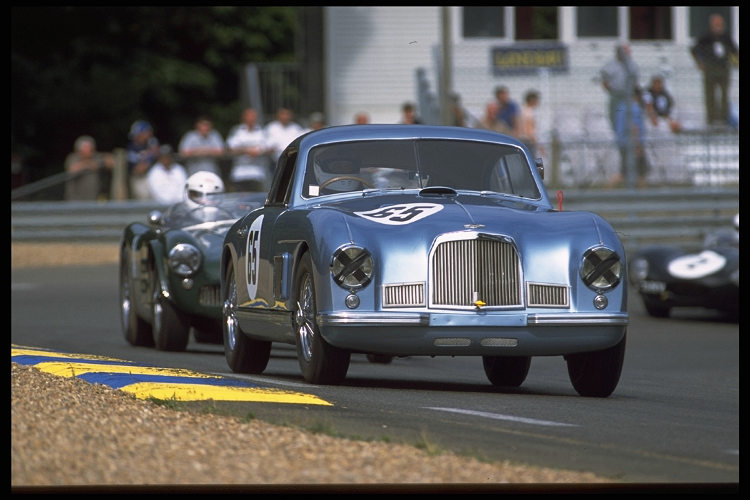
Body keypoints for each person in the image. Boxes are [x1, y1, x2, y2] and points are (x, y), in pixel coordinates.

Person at [690, 13, 739, 127]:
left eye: (720, 23)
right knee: (710, 94)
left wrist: (735, 63)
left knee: (724, 94)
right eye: (716, 23)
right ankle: (711, 119)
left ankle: (723, 118)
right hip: (710, 68)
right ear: (711, 24)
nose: (718, 26)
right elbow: (694, 49)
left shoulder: (726, 37)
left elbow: (734, 51)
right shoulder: (705, 37)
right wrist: (699, 62)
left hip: (723, 68)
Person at [607, 86, 649, 189]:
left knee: (640, 173)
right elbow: (634, 127)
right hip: (632, 145)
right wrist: (638, 145)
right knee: (626, 173)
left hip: (623, 143)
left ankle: (643, 197)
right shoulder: (634, 108)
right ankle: (605, 192)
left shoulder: (621, 107)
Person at [225, 107, 272, 192]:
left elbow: (271, 148)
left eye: (253, 116)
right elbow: (229, 149)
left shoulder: (262, 132)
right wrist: (246, 151)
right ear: (244, 118)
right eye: (249, 116)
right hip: (240, 173)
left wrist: (259, 151)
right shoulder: (237, 131)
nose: (251, 118)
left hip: (258, 173)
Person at [600, 43, 640, 133]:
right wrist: (613, 92)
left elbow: (635, 81)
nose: (628, 53)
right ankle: (617, 135)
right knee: (616, 115)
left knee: (630, 116)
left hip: (629, 95)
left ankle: (629, 138)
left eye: (628, 51)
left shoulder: (632, 65)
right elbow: (605, 81)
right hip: (616, 95)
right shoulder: (610, 65)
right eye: (625, 51)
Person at [64, 135, 114, 201]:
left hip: (93, 198)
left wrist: (99, 163)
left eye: (91, 147)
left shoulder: (96, 157)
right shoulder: (73, 158)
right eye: (86, 147)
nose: (90, 149)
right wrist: (87, 164)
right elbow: (72, 170)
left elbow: (112, 161)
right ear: (79, 149)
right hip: (75, 199)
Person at [126, 120, 160, 200]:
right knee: (143, 199)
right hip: (139, 178)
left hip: (152, 176)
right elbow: (137, 169)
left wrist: (148, 160)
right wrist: (148, 160)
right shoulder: (132, 147)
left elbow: (157, 154)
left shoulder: (151, 143)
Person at [517, 89, 545, 159]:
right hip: (528, 141)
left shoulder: (523, 110)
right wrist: (538, 145)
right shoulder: (528, 113)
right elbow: (529, 131)